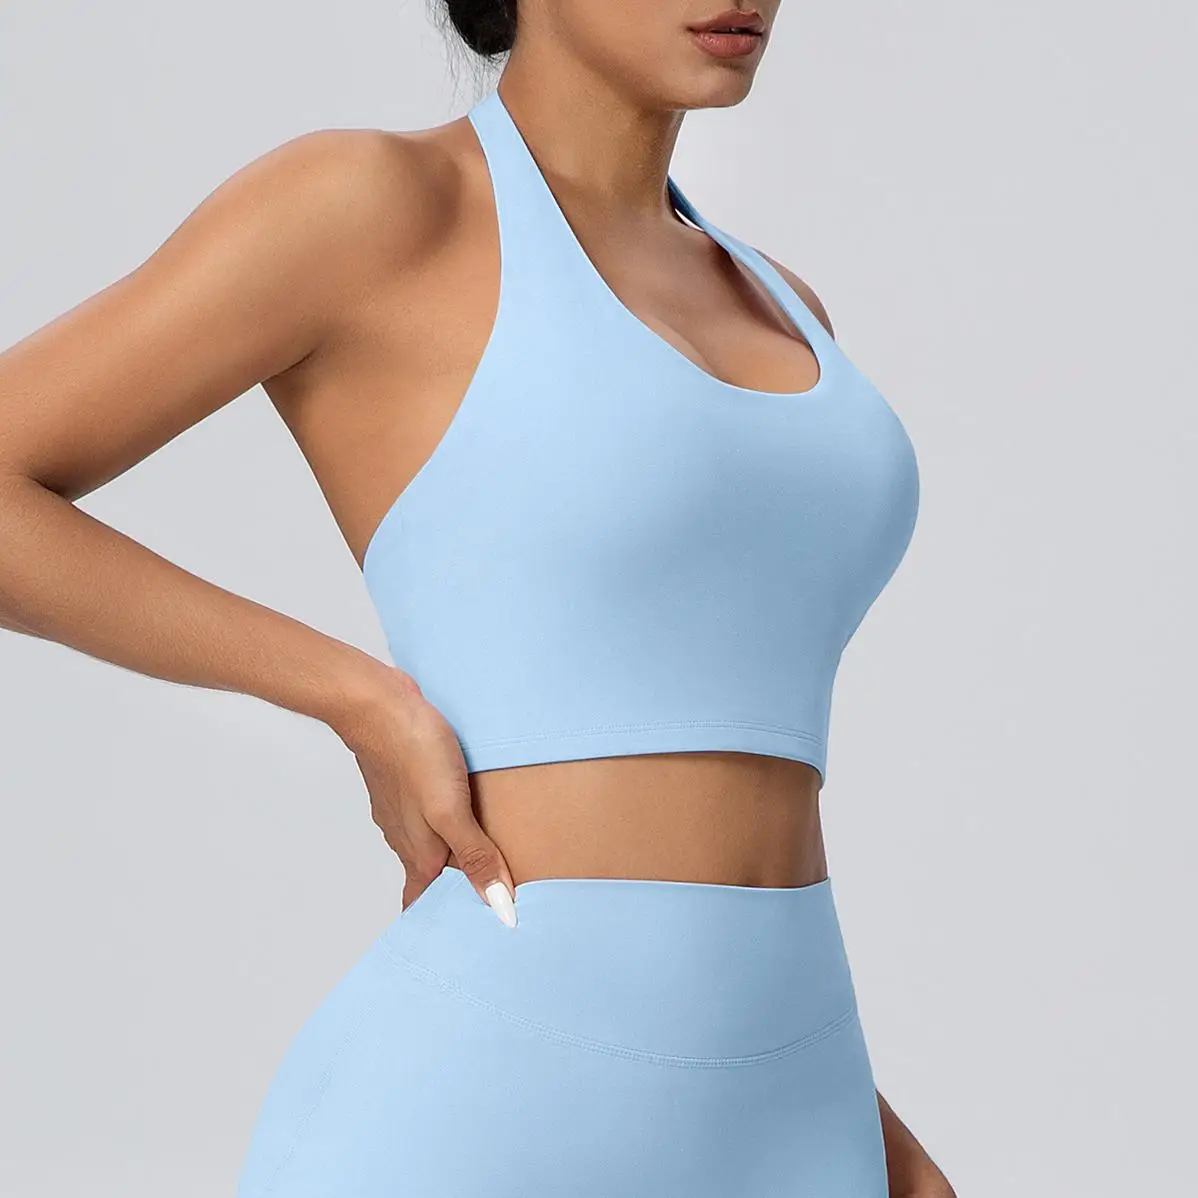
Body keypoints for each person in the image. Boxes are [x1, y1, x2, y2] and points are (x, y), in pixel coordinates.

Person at [0, 2, 953, 1194]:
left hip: (796, 1105)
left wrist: (860, 1123)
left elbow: (729, 796)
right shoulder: (380, 208)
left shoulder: (784, 304)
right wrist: (355, 696)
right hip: (488, 1106)